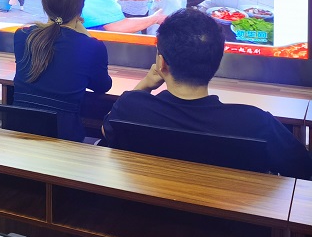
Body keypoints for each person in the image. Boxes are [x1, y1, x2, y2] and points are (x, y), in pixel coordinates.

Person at [102, 9, 312, 178]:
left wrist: (146, 84)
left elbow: (107, 129)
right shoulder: (256, 122)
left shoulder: (131, 106)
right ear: (217, 61)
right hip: (231, 219)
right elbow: (303, 169)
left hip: (145, 213)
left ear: (161, 62)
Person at [13, 0, 111, 141]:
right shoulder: (92, 46)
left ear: (45, 3)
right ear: (81, 5)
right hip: (64, 138)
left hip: (19, 132)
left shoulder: (23, 35)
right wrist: (85, 33)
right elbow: (103, 86)